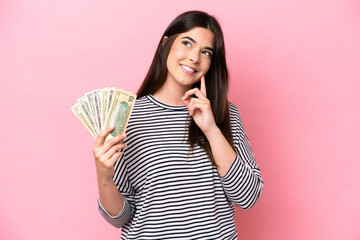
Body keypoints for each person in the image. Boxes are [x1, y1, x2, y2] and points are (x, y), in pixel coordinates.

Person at [92, 10, 263, 239]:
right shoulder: (127, 117)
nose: (194, 57)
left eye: (206, 52)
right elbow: (120, 218)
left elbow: (248, 197)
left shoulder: (224, 114)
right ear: (166, 44)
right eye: (187, 43)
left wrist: (211, 129)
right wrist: (104, 176)